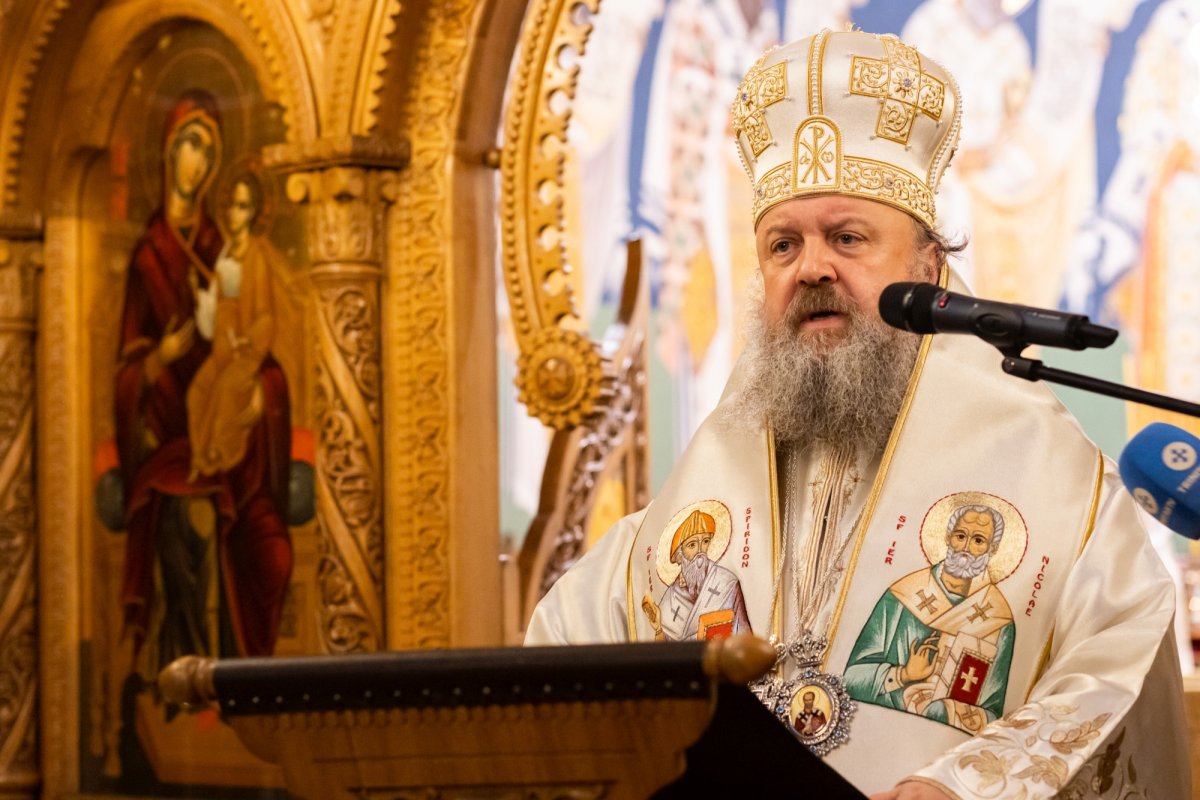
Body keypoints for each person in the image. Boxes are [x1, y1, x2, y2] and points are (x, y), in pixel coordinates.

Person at [526, 29, 1190, 799]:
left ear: (927, 266)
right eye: (783, 245)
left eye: (847, 237)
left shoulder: (1047, 472)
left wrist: (968, 785)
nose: (812, 267)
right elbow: (563, 653)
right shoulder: (696, 488)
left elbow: (1123, 644)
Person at [115, 91, 293, 679]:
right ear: (169, 150)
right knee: (170, 509)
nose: (196, 161)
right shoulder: (147, 255)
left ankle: (225, 669)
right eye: (189, 144)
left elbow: (250, 325)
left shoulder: (223, 248)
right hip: (171, 427)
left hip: (229, 415)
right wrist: (158, 359)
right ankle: (178, 663)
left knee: (227, 513)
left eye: (207, 150)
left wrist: (257, 388)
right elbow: (125, 369)